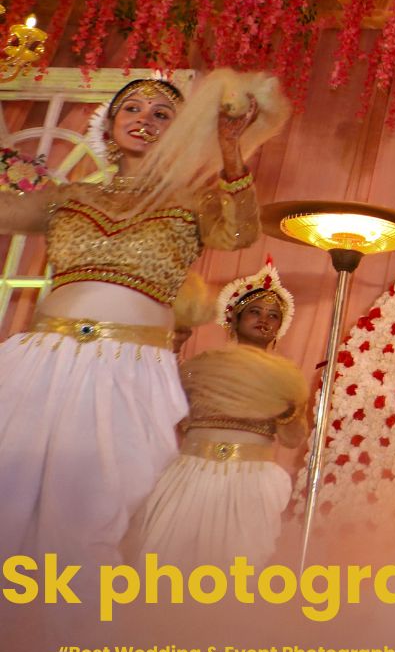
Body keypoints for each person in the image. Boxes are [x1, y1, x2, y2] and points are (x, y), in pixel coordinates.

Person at [0, 70, 287, 560]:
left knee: (96, 515)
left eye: (162, 115)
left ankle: (71, 634)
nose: (144, 121)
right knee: (8, 501)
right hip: (41, 361)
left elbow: (240, 235)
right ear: (110, 124)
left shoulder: (194, 201)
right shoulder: (69, 198)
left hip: (130, 370)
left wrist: (231, 152)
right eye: (132, 110)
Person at [127, 261, 308, 565]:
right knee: (168, 565)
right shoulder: (203, 365)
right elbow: (170, 412)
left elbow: (293, 438)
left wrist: (288, 410)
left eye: (273, 316)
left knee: (238, 569)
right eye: (255, 311)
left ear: (280, 327)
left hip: (250, 480)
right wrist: (171, 352)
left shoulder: (285, 377)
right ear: (234, 319)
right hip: (192, 472)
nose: (265, 320)